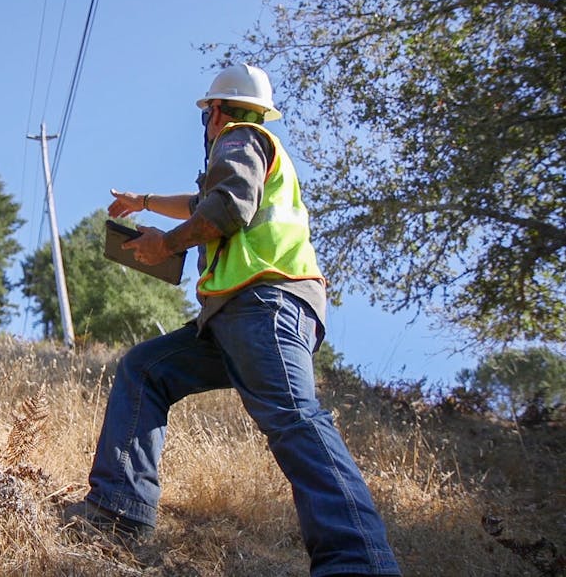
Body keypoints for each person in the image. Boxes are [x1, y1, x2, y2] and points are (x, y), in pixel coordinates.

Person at [63, 63, 402, 577]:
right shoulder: (252, 147)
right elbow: (207, 200)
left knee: (295, 420)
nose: (207, 124)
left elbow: (227, 207)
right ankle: (118, 515)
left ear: (215, 111)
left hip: (264, 303)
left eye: (207, 116)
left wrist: (166, 244)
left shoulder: (241, 137)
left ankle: (362, 563)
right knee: (146, 369)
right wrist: (146, 203)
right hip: (234, 314)